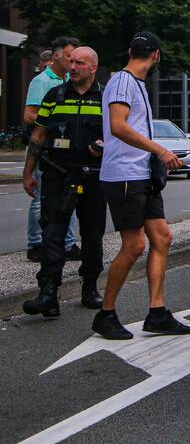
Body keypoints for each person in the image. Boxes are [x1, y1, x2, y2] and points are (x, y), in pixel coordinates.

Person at [94, 32, 190, 340]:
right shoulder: (123, 81)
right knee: (134, 245)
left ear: (130, 50)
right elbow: (118, 126)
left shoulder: (135, 83)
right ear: (156, 55)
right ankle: (105, 314)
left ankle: (157, 313)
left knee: (161, 237)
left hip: (141, 174)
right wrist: (160, 150)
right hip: (125, 175)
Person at [21, 47, 107, 317]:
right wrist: (28, 173)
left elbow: (119, 133)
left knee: (92, 234)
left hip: (93, 176)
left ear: (93, 67)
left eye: (79, 62)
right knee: (52, 233)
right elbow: (38, 135)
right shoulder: (54, 95)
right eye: (71, 61)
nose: (73, 67)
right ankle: (48, 293)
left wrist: (104, 146)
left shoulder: (105, 97)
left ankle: (90, 287)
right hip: (57, 174)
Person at [23, 37, 81, 263]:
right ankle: (35, 244)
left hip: (64, 149)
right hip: (45, 148)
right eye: (69, 57)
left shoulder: (70, 80)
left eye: (76, 58)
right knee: (40, 197)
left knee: (70, 194)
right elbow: (29, 115)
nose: (73, 62)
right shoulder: (42, 81)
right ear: (56, 56)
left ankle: (68, 243)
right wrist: (57, 121)